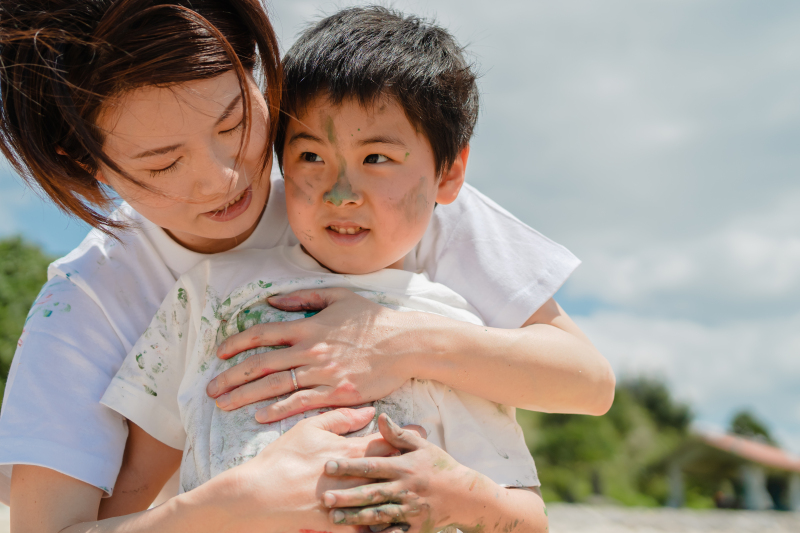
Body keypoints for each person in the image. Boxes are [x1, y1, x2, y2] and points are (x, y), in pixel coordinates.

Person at [0, 1, 614, 531]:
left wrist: (397, 340)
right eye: (163, 163)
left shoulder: (387, 194)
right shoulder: (91, 304)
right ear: (83, 162)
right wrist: (227, 509)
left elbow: (585, 383)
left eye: (233, 123)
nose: (224, 178)